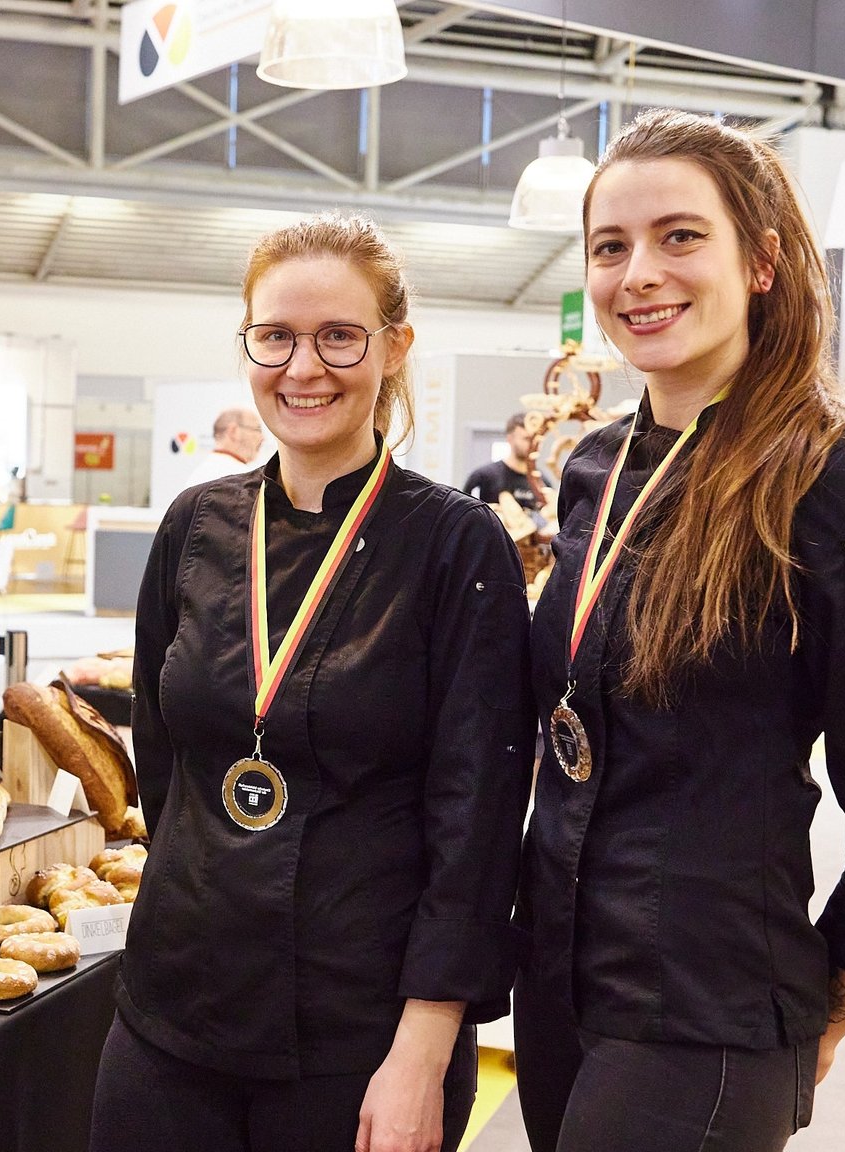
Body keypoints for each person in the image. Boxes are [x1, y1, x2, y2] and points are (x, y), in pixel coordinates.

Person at [515, 110, 845, 1152]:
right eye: (608, 246)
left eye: (679, 237)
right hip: (558, 980)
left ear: (760, 262)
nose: (637, 273)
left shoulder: (828, 475)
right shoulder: (596, 465)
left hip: (704, 1003)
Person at [93, 213, 533, 1152]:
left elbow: (479, 816)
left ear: (394, 346)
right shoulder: (195, 526)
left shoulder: (457, 545)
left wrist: (424, 1047)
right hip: (175, 1002)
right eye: (276, 337)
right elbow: (163, 759)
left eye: (339, 336)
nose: (303, 368)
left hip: (360, 1025)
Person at [463, 413, 546, 514]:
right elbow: (464, 514)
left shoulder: (542, 482)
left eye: (536, 439)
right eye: (527, 439)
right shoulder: (483, 476)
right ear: (510, 439)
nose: (533, 444)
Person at [184, 406, 266, 489]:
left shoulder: (198, 475)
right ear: (233, 431)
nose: (262, 438)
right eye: (257, 430)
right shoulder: (240, 479)